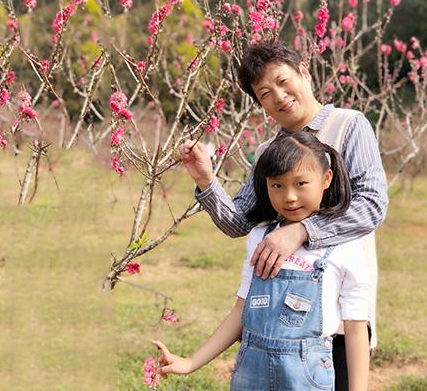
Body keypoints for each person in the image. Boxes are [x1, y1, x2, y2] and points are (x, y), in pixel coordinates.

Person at [180, 40, 388, 389]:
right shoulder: (269, 152)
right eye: (265, 93)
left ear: (303, 71)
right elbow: (239, 220)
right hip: (274, 326)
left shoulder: (349, 125)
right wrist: (206, 181)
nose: (279, 96)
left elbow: (372, 204)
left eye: (282, 81)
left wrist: (301, 230)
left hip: (336, 319)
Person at [153, 132, 371, 390]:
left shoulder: (344, 247)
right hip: (250, 376)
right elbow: (240, 312)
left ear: (326, 179)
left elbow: (356, 331)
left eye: (301, 183)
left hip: (306, 379)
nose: (289, 196)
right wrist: (190, 363)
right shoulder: (261, 238)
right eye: (277, 185)